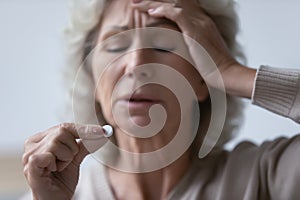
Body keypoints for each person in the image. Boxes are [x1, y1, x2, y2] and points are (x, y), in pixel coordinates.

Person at [22, 0, 300, 199]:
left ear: (203, 76)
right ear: (93, 79)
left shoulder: (263, 178)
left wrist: (232, 72)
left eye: (163, 45)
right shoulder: (55, 194)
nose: (136, 63)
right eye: (116, 45)